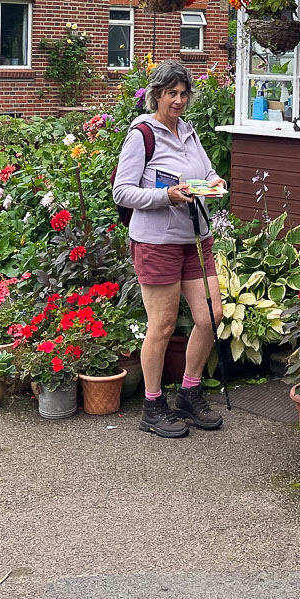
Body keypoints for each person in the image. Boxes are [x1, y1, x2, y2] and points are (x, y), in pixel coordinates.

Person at [113, 59, 228, 438]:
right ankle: (152, 405)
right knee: (161, 325)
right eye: (171, 94)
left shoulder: (188, 131)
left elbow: (205, 172)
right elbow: (123, 192)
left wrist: (214, 182)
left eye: (184, 94)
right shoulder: (142, 134)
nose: (179, 100)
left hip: (196, 238)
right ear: (156, 95)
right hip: (157, 242)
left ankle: (189, 394)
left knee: (211, 315)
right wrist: (167, 195)